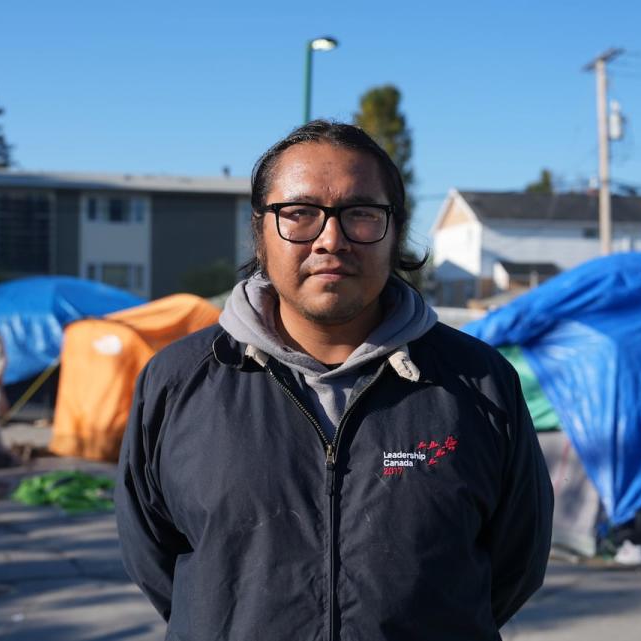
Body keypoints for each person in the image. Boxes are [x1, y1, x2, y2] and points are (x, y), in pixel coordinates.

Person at [115, 120, 553, 640]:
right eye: (299, 214)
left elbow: (513, 566)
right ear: (260, 232)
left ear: (394, 230)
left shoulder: (479, 383)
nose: (331, 239)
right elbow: (157, 560)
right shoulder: (178, 381)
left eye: (361, 214)